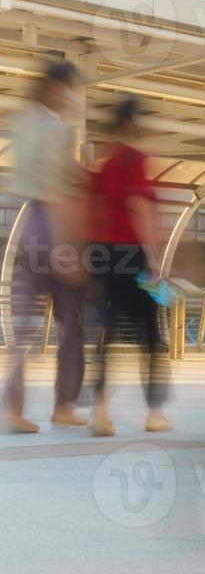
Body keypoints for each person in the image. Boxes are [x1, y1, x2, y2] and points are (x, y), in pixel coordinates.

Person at [4, 61, 88, 433]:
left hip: (28, 227)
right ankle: (64, 406)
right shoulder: (59, 129)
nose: (74, 98)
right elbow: (59, 192)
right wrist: (66, 248)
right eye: (72, 89)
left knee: (23, 328)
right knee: (71, 322)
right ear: (57, 87)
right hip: (55, 226)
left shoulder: (24, 122)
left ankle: (14, 408)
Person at [88, 97, 170, 437]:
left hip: (102, 255)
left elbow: (94, 213)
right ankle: (153, 414)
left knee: (105, 334)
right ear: (134, 125)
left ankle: (100, 411)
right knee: (151, 335)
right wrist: (154, 261)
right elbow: (138, 208)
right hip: (131, 255)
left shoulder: (105, 166)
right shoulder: (134, 161)